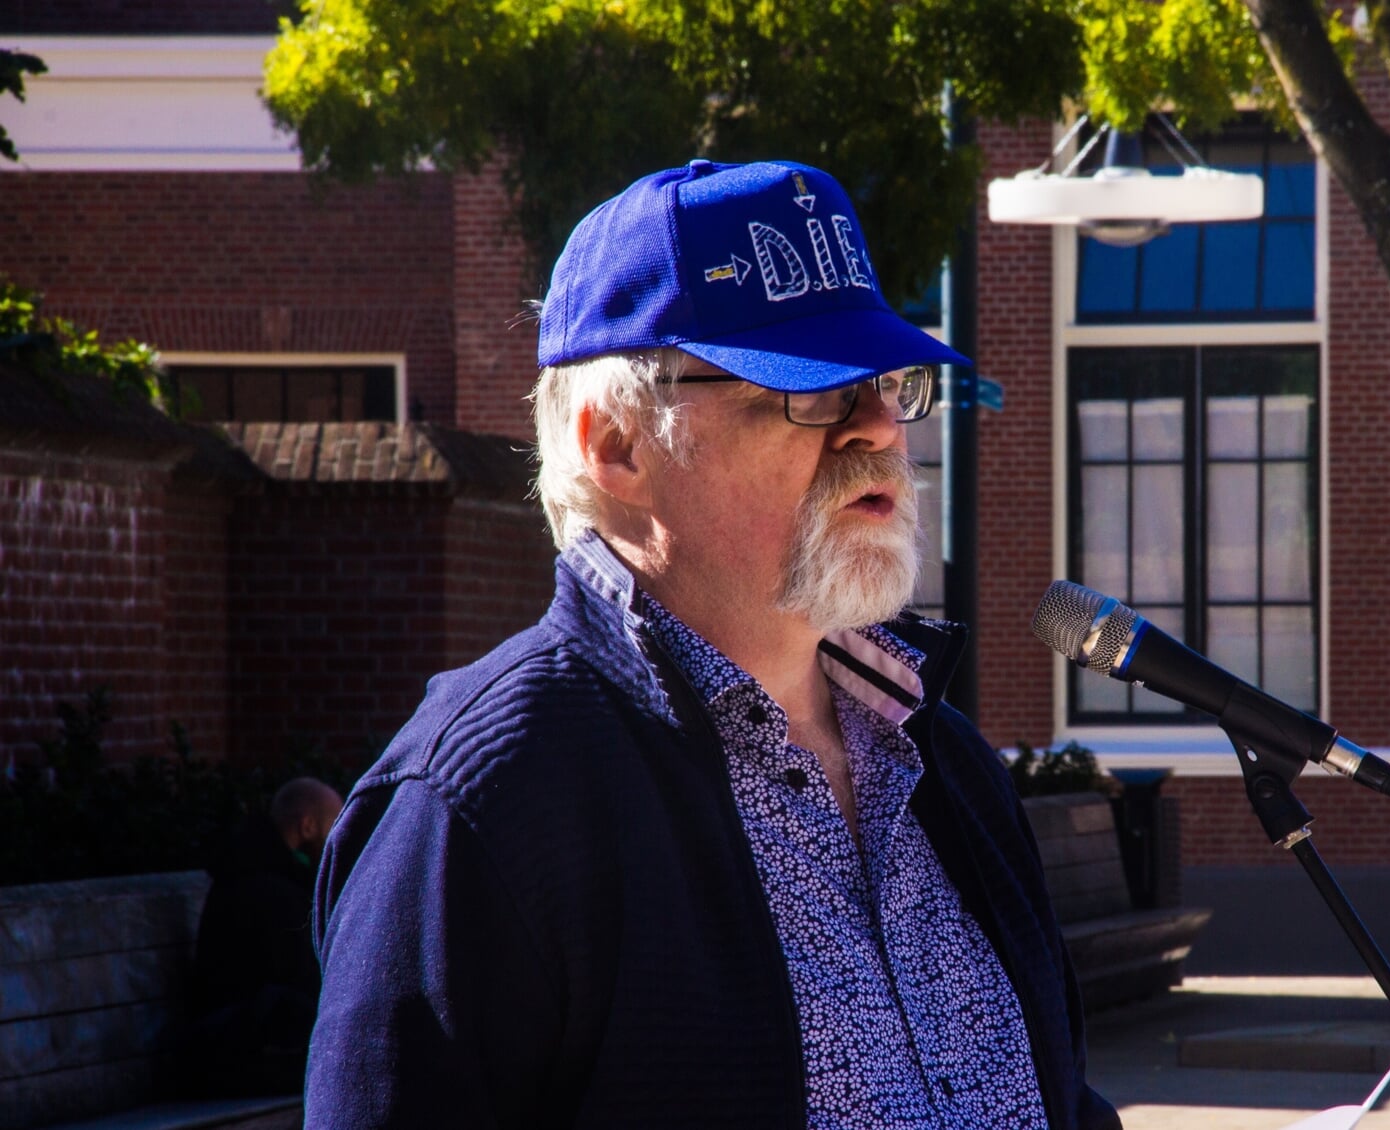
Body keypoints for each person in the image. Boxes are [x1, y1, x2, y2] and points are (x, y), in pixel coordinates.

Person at [304, 159, 1119, 1129]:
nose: (879, 429)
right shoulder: (483, 802)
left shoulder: (951, 768)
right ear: (617, 446)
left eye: (887, 382)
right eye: (810, 389)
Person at [186, 776, 342, 1096]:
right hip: (245, 1052)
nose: (337, 840)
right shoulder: (273, 892)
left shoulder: (247, 867)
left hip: (241, 1042)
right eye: (334, 826)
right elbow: (306, 980)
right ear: (308, 826)